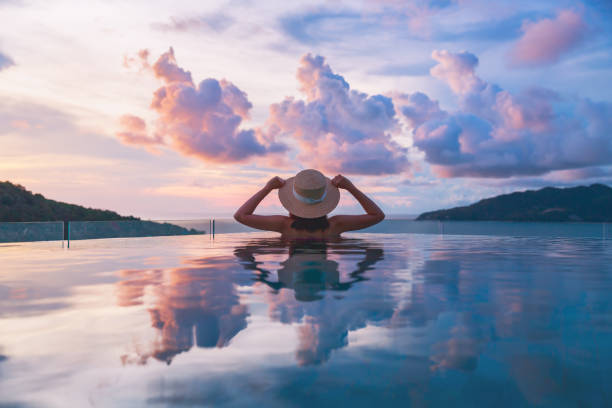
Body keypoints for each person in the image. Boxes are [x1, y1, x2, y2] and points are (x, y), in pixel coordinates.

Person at [234, 169, 385, 239]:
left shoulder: (283, 225)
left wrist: (267, 188)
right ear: (324, 201)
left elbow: (241, 216)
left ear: (293, 202)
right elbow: (377, 215)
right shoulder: (336, 225)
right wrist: (351, 188)